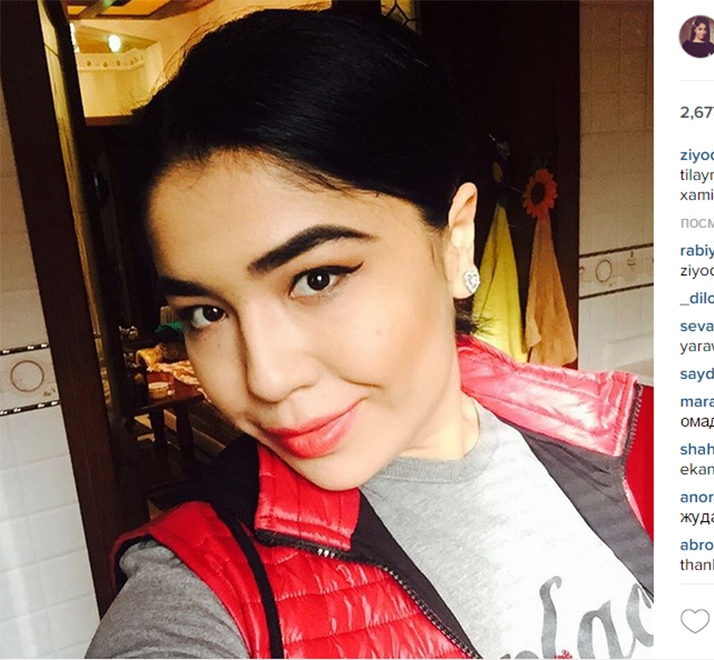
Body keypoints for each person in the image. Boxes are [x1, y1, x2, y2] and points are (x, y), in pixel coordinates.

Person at [86, 8, 653, 659]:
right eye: (206, 313)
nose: (267, 378)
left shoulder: (625, 432)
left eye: (317, 278)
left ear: (454, 240)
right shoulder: (201, 589)